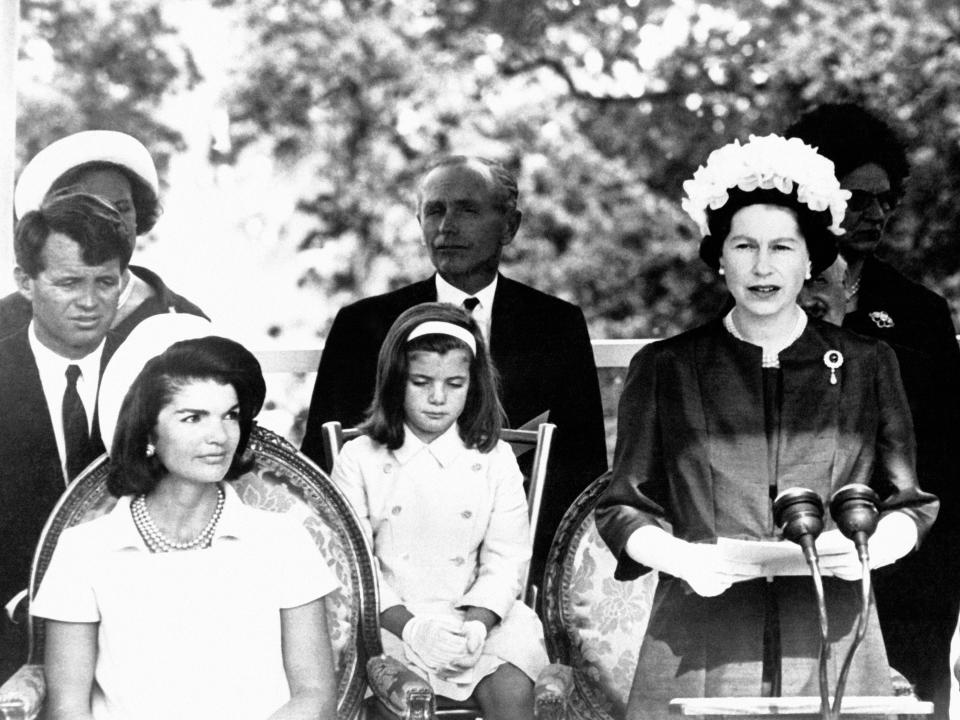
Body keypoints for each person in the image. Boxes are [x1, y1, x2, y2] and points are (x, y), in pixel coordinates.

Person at [595, 134, 940, 720]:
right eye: (744, 246)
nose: (762, 266)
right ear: (719, 258)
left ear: (811, 261)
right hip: (700, 636)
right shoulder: (665, 366)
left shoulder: (867, 363)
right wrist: (682, 558)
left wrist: (870, 551)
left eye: (782, 247)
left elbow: (911, 501)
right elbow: (620, 505)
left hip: (832, 636)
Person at [302, 156, 607, 587]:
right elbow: (323, 456)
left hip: (520, 560)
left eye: (467, 209)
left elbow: (583, 466)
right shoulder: (363, 325)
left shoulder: (556, 325)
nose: (447, 226)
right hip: (390, 565)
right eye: (434, 210)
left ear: (510, 226)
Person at [30, 335, 339, 720]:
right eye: (193, 417)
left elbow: (316, 696)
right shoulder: (84, 550)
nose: (219, 436)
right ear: (147, 433)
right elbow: (68, 708)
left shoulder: (283, 540)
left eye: (230, 415)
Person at [787, 103, 960, 717]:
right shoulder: (765, 292)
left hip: (907, 552)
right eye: (858, 200)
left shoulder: (919, 311)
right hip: (800, 541)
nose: (876, 215)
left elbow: (943, 443)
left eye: (886, 200)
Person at [330, 302, 548, 720]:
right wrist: (413, 628)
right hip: (389, 623)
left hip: (479, 621)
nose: (437, 398)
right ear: (396, 382)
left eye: (454, 383)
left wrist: (476, 625)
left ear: (473, 385)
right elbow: (355, 567)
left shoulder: (495, 457)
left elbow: (507, 560)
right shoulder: (359, 458)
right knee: (398, 698)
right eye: (421, 382)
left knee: (514, 686)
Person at [0, 192, 131, 684]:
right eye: (69, 282)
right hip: (10, 629)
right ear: (25, 283)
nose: (90, 301)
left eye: (106, 282)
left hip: (135, 628)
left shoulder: (154, 377)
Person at [0, 129, 206, 342]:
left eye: (122, 207)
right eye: (91, 207)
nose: (111, 220)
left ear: (138, 214)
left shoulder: (184, 322)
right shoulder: (8, 320)